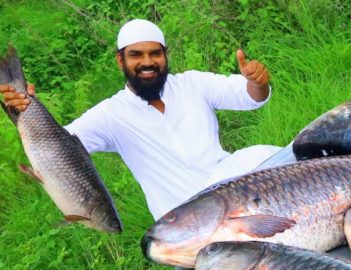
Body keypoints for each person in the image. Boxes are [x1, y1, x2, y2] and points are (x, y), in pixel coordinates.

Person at [1, 19, 282, 220]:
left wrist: (258, 81)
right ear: (120, 61)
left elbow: (250, 96)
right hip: (185, 213)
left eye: (155, 53)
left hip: (231, 185)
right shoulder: (111, 114)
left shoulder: (192, 84)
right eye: (136, 55)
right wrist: (23, 108)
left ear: (164, 56)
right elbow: (60, 148)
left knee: (271, 155)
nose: (147, 62)